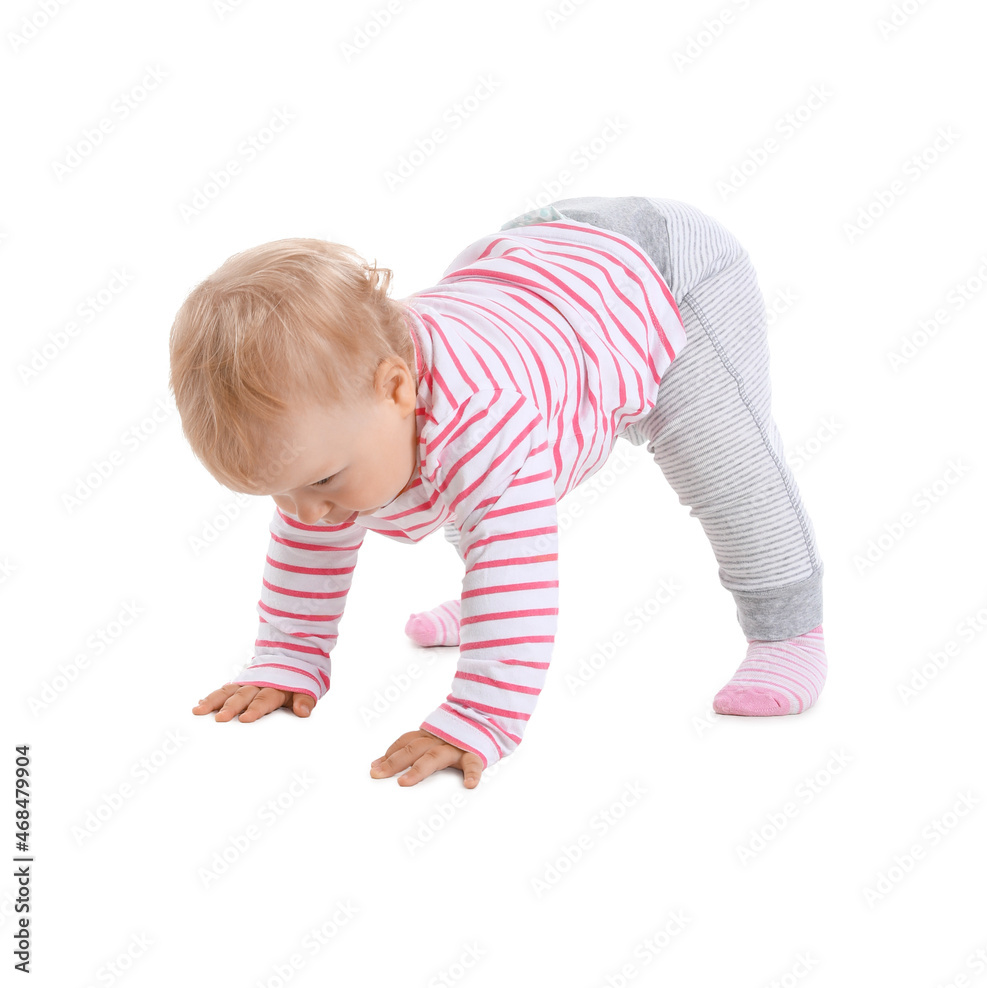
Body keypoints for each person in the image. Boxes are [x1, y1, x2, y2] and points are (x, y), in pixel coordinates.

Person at [171, 196, 826, 790]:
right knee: (470, 494)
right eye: (277, 494)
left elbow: (521, 559)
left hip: (661, 280)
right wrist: (287, 656)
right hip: (537, 275)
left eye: (317, 482)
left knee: (725, 465)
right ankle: (486, 604)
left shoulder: (481, 418)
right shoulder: (340, 425)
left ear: (398, 389)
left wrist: (477, 717)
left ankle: (788, 632)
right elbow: (312, 538)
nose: (305, 514)